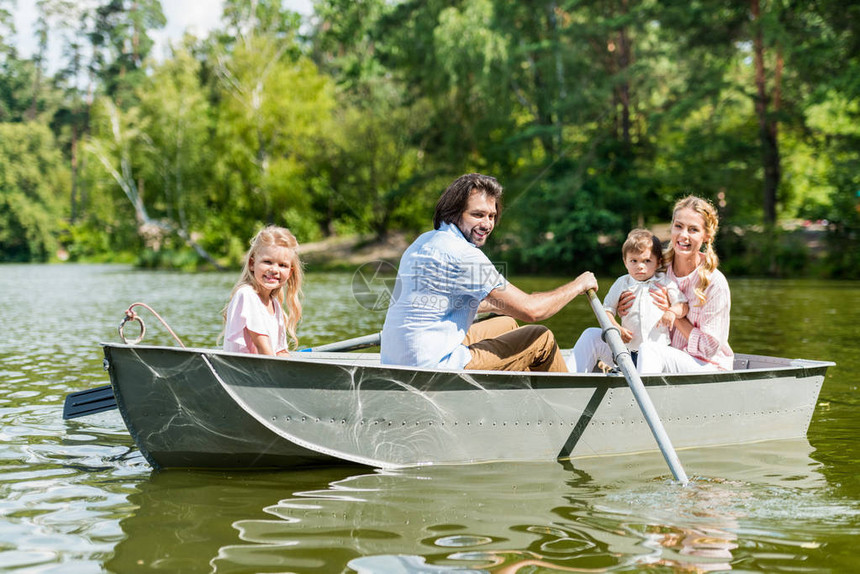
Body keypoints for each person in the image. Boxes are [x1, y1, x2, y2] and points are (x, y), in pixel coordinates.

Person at [381, 173, 597, 372]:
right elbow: (533, 312)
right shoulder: (464, 256)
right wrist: (579, 284)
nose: (486, 224)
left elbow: (444, 301)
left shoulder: (423, 241)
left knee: (507, 324)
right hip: (432, 367)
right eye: (477, 215)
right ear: (454, 213)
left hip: (399, 360)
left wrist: (508, 305)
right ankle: (565, 405)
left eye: (491, 216)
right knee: (540, 338)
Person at [621, 195, 733, 373]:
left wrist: (673, 313)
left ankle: (637, 399)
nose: (683, 235)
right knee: (592, 336)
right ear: (672, 226)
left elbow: (708, 349)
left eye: (693, 230)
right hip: (659, 357)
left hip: (706, 365)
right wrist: (627, 309)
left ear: (706, 236)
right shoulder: (657, 266)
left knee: (649, 349)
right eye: (678, 226)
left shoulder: (715, 283)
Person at [566, 228, 688, 372]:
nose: (640, 266)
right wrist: (616, 328)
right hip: (625, 352)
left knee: (647, 350)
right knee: (590, 333)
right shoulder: (622, 283)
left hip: (656, 356)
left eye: (647, 261)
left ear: (658, 262)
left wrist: (672, 312)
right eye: (634, 261)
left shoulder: (664, 282)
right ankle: (570, 378)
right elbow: (606, 310)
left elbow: (683, 305)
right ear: (625, 262)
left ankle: (644, 383)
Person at [222, 225, 303, 356]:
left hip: (262, 371)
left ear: (289, 272)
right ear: (252, 264)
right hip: (246, 373)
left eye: (282, 265)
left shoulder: (275, 304)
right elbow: (263, 348)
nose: (274, 270)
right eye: (267, 262)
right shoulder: (246, 295)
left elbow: (280, 352)